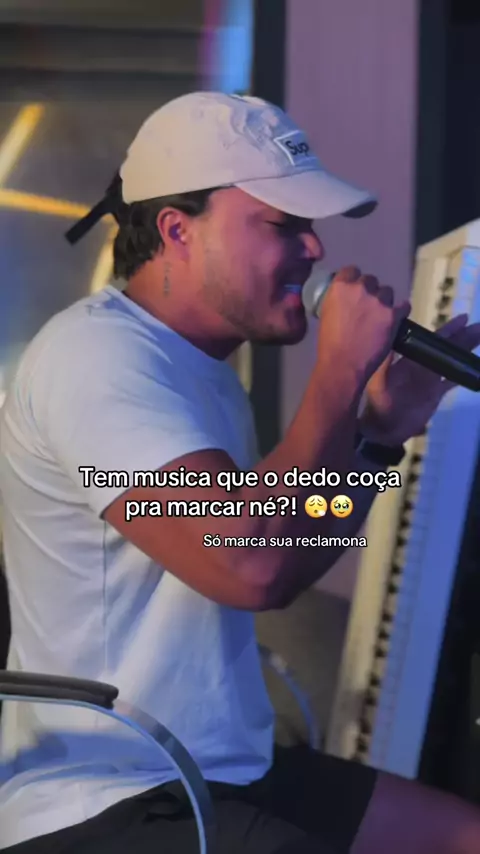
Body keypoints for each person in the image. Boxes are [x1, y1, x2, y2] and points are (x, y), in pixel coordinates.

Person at [0, 91, 480, 854]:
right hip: (112, 797)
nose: (315, 248)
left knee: (460, 835)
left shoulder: (202, 372)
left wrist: (377, 438)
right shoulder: (98, 360)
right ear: (177, 229)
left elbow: (292, 553)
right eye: (282, 224)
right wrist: (338, 376)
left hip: (218, 767)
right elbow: (251, 566)